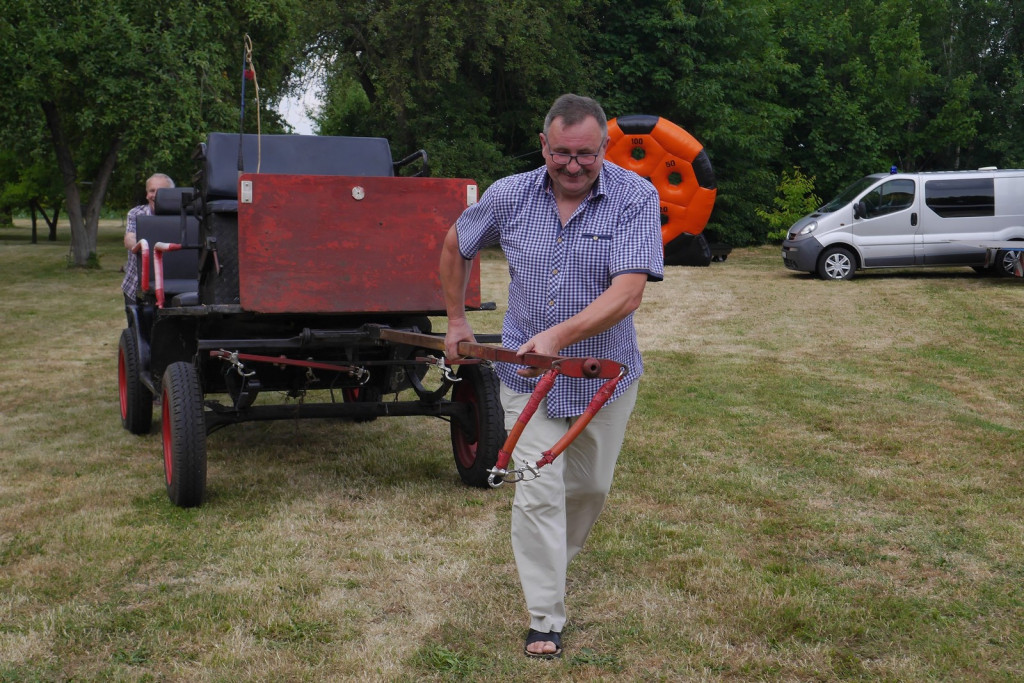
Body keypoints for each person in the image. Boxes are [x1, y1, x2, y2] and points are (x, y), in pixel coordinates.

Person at [439, 94, 664, 658]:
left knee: (589, 488)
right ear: (544, 146)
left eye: (585, 154)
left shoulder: (636, 197)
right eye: (561, 153)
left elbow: (629, 291)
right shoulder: (510, 194)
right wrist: (458, 319)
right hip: (524, 375)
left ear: (603, 147)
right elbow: (455, 244)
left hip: (604, 376)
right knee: (538, 491)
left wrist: (561, 336)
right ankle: (545, 615)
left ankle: (544, 562)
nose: (572, 165)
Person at [121, 173, 174, 304]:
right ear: (146, 194)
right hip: (135, 286)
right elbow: (129, 239)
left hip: (172, 285)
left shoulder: (183, 216)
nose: (155, 195)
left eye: (161, 191)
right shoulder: (136, 213)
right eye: (152, 191)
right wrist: (146, 247)